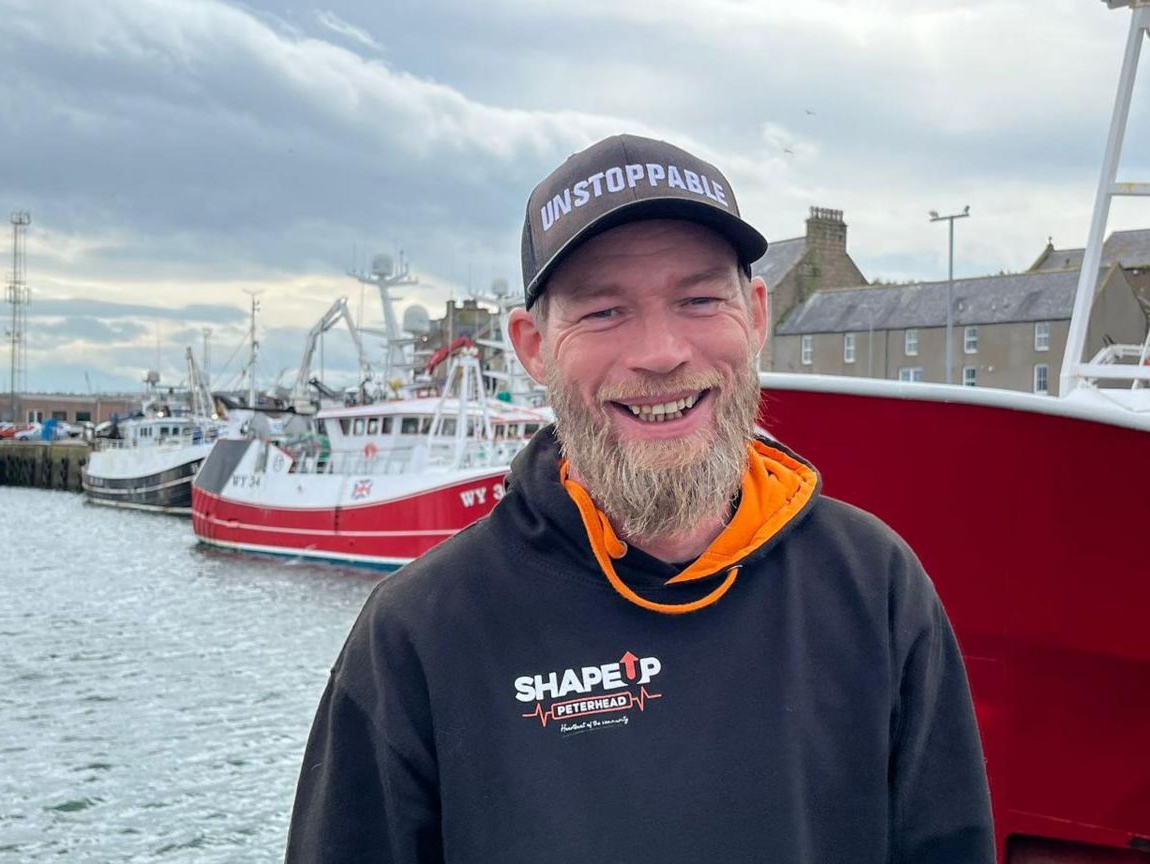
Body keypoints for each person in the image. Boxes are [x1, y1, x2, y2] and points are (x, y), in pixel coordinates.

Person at [286, 134, 995, 863]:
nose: (661, 351)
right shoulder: (420, 634)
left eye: (698, 299)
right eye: (603, 312)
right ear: (533, 346)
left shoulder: (874, 585)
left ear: (754, 315)